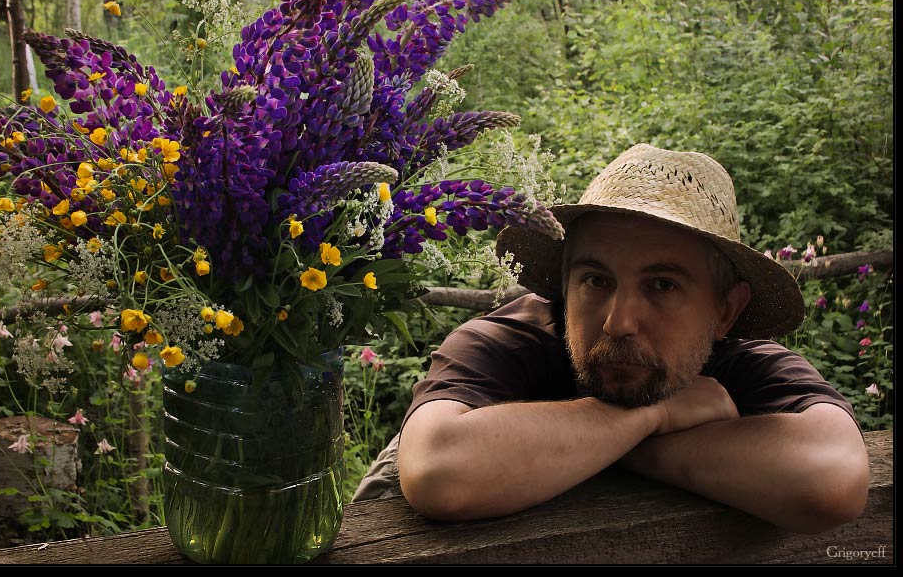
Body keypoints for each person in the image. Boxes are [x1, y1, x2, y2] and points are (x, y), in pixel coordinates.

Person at [352, 144, 869, 534]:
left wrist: (595, 446)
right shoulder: (503, 341)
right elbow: (438, 470)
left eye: (662, 286)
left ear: (725, 312)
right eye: (596, 281)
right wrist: (653, 417)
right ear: (563, 285)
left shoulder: (741, 360)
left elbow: (833, 478)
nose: (618, 321)